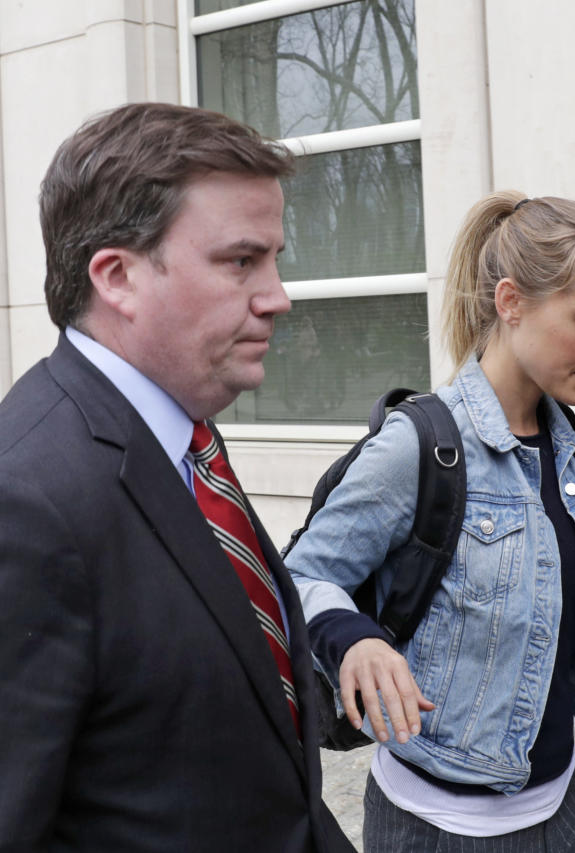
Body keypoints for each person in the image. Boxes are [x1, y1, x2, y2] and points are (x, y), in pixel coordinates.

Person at [284, 190, 575, 852]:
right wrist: (356, 639)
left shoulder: (572, 448)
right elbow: (304, 572)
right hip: (437, 828)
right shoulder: (422, 445)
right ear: (511, 303)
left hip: (567, 809)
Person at [0, 103, 352, 851]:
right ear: (118, 276)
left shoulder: (184, 440)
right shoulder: (25, 501)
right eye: (240, 261)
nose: (279, 296)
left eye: (275, 259)